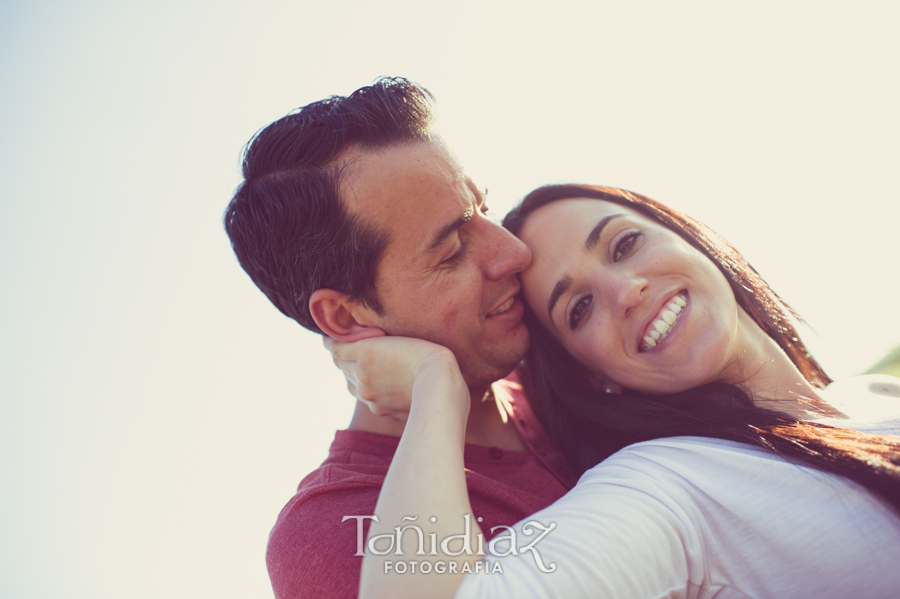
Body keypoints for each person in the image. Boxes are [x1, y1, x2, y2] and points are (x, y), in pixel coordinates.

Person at [328, 184, 900, 598]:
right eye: (578, 309)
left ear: (683, 235)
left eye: (624, 244)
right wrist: (436, 388)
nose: (624, 291)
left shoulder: (878, 394)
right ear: (590, 374)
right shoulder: (665, 488)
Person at [222, 79, 577, 599]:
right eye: (453, 249)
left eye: (483, 210)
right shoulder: (335, 531)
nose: (513, 252)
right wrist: (438, 385)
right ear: (343, 317)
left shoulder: (580, 346)